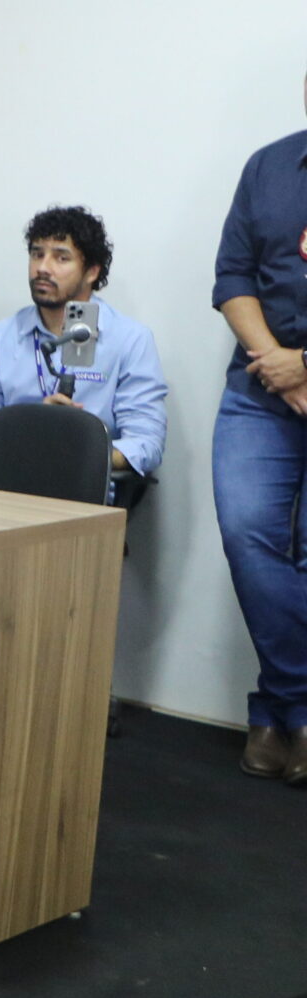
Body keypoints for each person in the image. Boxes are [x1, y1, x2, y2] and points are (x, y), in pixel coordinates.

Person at [0, 207, 165, 496]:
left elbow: (146, 443)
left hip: (77, 489)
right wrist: (32, 438)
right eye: (36, 254)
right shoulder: (0, 337)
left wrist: (72, 452)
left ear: (92, 271)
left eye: (61, 257)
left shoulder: (130, 340)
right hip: (0, 481)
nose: (42, 267)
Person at [212, 77, 307, 786]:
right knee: (248, 533)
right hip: (259, 385)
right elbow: (232, 275)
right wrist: (281, 366)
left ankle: (277, 713)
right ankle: (299, 708)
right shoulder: (268, 166)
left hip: (289, 368)